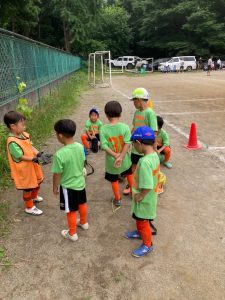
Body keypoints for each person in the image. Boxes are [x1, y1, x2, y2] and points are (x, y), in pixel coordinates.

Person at [124, 126, 160, 258]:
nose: (134, 146)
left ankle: (148, 244)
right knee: (139, 218)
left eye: (134, 144)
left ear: (138, 143)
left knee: (143, 221)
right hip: (149, 198)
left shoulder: (144, 162)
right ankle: (139, 233)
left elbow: (147, 185)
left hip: (144, 199)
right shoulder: (154, 155)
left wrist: (139, 197)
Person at [52, 119, 88, 241]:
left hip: (68, 187)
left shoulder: (59, 154)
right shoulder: (80, 146)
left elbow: (57, 173)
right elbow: (83, 162)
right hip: (81, 183)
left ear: (60, 135)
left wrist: (55, 186)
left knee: (71, 210)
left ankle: (72, 233)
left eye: (56, 133)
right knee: (82, 203)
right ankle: (83, 222)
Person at [4, 111, 44, 215]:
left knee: (37, 181)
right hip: (24, 169)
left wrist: (38, 153)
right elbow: (20, 156)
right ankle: (29, 207)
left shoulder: (23, 135)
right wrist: (33, 159)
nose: (24, 127)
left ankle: (34, 197)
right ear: (13, 126)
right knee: (28, 187)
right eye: (22, 124)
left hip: (32, 165)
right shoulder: (12, 141)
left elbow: (30, 146)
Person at [123, 87, 158, 196]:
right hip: (135, 146)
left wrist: (155, 148)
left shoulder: (150, 113)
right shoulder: (136, 112)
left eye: (134, 100)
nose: (133, 103)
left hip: (145, 147)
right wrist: (127, 137)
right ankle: (132, 185)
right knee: (133, 167)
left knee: (145, 167)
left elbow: (154, 132)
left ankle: (149, 186)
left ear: (139, 100)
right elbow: (134, 127)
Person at [100, 101, 133, 207]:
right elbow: (128, 143)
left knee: (114, 179)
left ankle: (118, 199)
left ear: (106, 115)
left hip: (112, 162)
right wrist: (121, 157)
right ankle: (133, 192)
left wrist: (115, 156)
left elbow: (104, 146)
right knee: (129, 174)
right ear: (120, 114)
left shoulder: (103, 129)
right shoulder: (125, 127)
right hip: (125, 159)